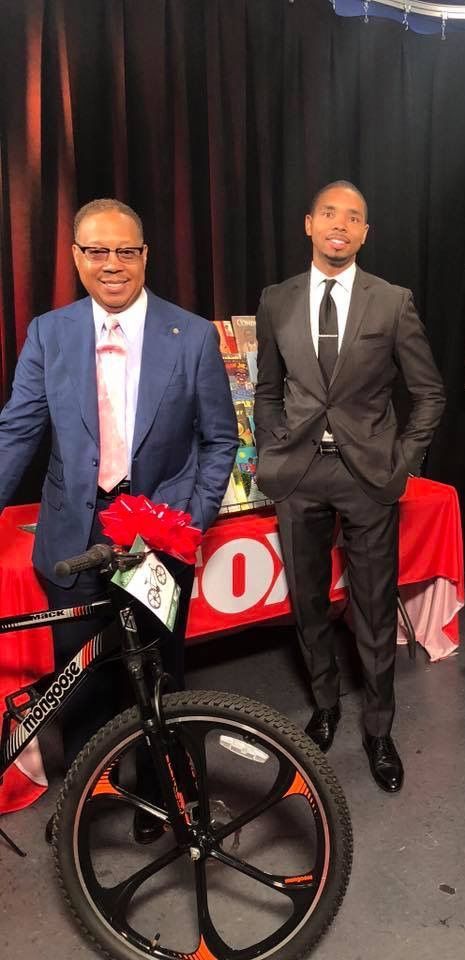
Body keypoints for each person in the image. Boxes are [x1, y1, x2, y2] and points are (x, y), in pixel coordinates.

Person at [0, 198, 238, 840]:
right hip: (71, 538)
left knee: (162, 678)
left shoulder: (192, 336)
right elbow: (17, 432)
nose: (112, 264)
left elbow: (220, 441)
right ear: (76, 257)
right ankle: (90, 799)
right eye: (97, 251)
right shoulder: (49, 333)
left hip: (157, 540)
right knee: (82, 684)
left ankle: (163, 797)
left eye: (125, 251)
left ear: (145, 256)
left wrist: (188, 521)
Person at [254, 181, 445, 792]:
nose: (341, 224)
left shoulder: (392, 301)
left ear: (366, 233)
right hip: (299, 473)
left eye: (354, 217)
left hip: (369, 476)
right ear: (309, 224)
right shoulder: (276, 300)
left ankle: (379, 729)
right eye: (330, 214)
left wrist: (403, 461)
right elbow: (267, 389)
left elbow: (429, 393)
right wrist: (271, 446)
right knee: (308, 601)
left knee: (373, 604)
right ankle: (325, 703)